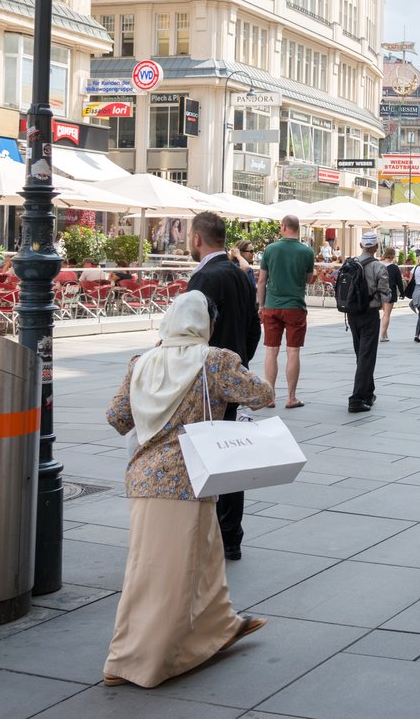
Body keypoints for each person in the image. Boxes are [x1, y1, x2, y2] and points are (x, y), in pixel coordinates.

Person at [102, 291, 274, 688]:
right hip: (188, 476)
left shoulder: (141, 362)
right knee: (162, 574)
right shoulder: (213, 361)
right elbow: (262, 394)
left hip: (145, 476)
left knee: (205, 556)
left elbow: (116, 418)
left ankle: (220, 627)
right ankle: (129, 661)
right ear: (205, 324)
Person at [185, 212, 262, 561]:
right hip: (232, 379)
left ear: (198, 239)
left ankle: (205, 535)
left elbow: (188, 334)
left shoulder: (203, 279)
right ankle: (231, 535)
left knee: (201, 457)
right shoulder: (241, 275)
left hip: (202, 382)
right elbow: (253, 327)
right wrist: (240, 365)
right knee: (229, 456)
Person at [256, 215, 314, 409]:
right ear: (297, 228)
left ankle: (270, 397)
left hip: (272, 305)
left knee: (271, 351)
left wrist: (261, 306)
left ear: (283, 227)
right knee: (293, 351)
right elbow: (307, 279)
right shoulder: (306, 252)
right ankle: (291, 397)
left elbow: (262, 281)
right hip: (295, 306)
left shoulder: (270, 250)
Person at [344, 233, 391, 413]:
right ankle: (356, 399)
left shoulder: (350, 264)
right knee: (366, 356)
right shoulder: (379, 267)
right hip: (370, 314)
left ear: (360, 244)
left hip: (352, 314)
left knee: (361, 354)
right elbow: (385, 294)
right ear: (377, 247)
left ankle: (368, 392)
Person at [380, 247, 405, 341]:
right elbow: (399, 282)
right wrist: (402, 293)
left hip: (380, 291)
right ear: (393, 255)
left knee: (384, 313)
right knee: (387, 314)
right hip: (390, 291)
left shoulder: (379, 265)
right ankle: (382, 335)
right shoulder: (394, 267)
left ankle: (385, 333)